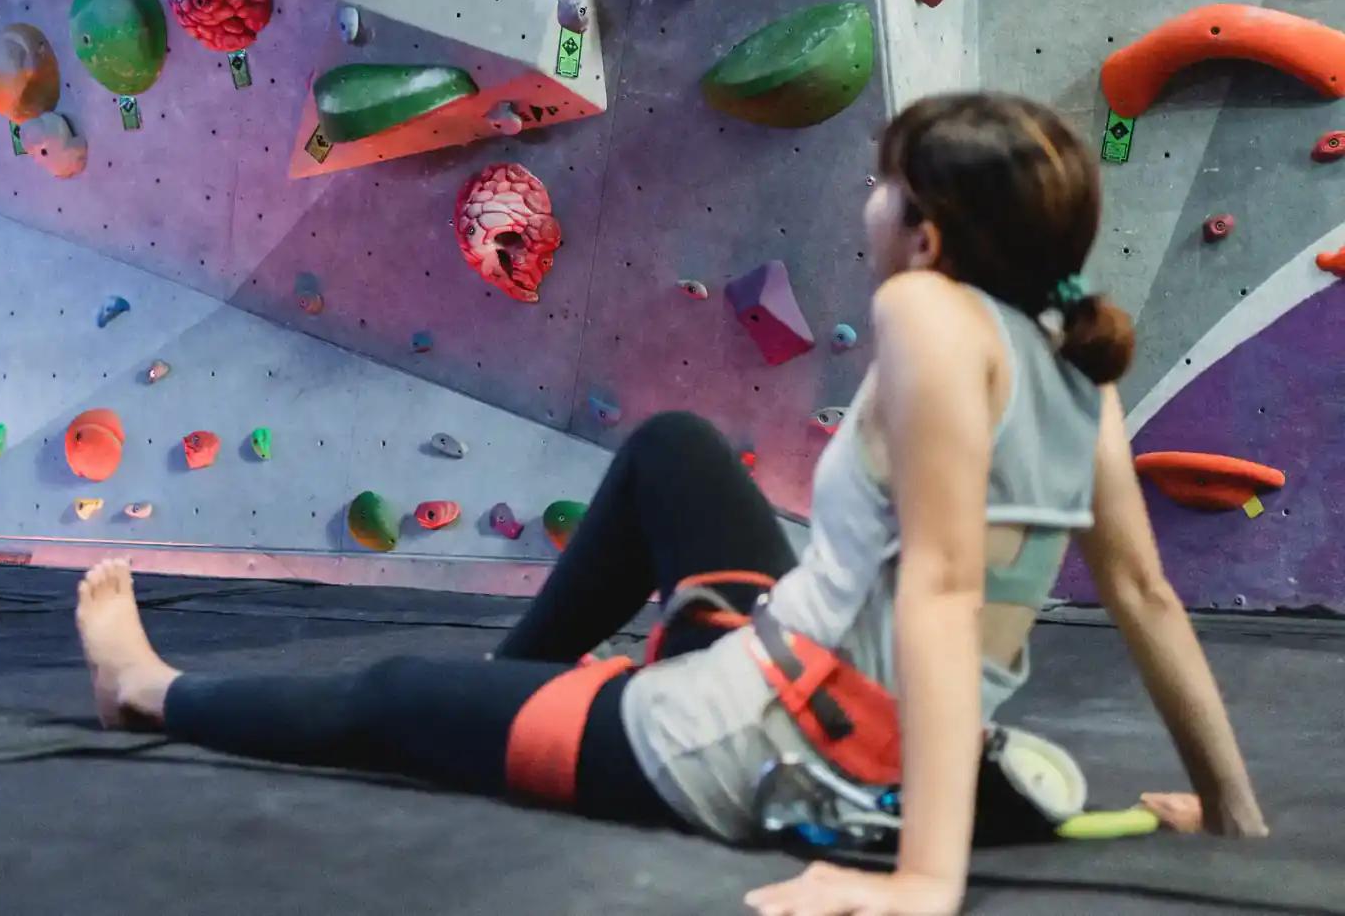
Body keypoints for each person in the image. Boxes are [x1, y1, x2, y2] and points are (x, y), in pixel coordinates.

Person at [74, 93, 1267, 915]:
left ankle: (143, 691)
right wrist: (1228, 809)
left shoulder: (920, 309)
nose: (865, 207)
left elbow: (947, 591)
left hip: (769, 743)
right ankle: (508, 704)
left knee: (385, 697)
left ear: (926, 231)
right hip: (806, 685)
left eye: (877, 187)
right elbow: (1144, 593)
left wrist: (923, 883)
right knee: (675, 449)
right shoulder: (1073, 362)